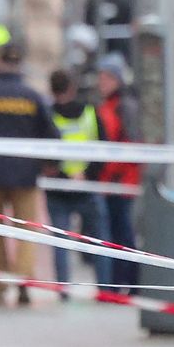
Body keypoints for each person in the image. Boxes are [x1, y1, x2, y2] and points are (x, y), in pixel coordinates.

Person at [0, 43, 59, 306]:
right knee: (26, 230)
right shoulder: (32, 96)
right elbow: (50, 133)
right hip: (26, 176)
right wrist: (50, 163)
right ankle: (23, 281)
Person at [46, 70, 111, 295]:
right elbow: (104, 148)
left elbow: (43, 152)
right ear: (72, 88)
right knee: (101, 241)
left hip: (58, 188)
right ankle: (105, 290)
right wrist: (87, 173)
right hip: (88, 185)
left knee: (61, 243)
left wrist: (64, 176)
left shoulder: (48, 114)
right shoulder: (91, 112)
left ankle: (64, 291)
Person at [95, 53, 141, 290]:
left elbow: (129, 145)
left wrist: (112, 170)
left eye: (107, 77)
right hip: (110, 180)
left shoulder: (125, 106)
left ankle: (128, 283)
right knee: (113, 232)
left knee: (122, 233)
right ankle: (115, 284)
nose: (102, 82)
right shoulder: (108, 105)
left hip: (122, 182)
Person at [22, 0, 65, 95]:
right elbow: (59, 9)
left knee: (34, 69)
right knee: (51, 68)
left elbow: (24, 10)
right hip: (52, 32)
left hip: (33, 31)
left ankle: (35, 95)